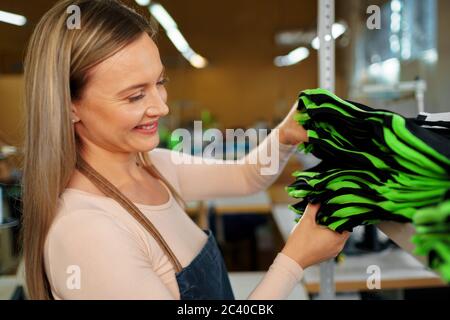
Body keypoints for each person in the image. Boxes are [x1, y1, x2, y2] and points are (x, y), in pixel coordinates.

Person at [21, 0, 350, 300]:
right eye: (135, 96)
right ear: (69, 106)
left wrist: (287, 134)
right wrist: (293, 261)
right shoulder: (87, 234)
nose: (161, 108)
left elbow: (246, 176)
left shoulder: (153, 166)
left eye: (160, 83)